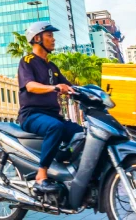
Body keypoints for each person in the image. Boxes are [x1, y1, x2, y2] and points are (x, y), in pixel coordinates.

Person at [17, 21, 84, 194]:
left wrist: (89, 93)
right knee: (55, 127)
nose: (53, 39)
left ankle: (68, 169)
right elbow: (30, 86)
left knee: (81, 133)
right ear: (37, 38)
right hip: (31, 114)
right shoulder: (27, 61)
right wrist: (54, 88)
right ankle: (41, 175)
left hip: (52, 115)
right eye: (49, 35)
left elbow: (70, 87)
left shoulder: (52, 66)